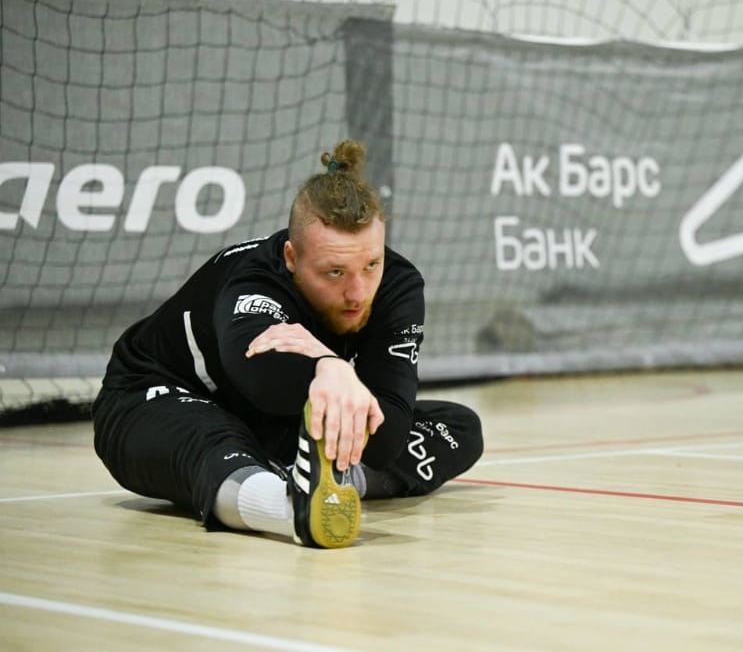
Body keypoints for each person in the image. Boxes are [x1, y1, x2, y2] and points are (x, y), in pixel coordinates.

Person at [92, 139, 483, 548]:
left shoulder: (398, 285)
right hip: (153, 401)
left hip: (272, 423)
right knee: (215, 436)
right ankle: (291, 508)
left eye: (371, 264)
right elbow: (258, 380)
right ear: (292, 257)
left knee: (458, 427)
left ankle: (316, 478)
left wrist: (324, 362)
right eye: (334, 272)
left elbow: (387, 440)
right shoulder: (253, 281)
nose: (358, 292)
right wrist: (329, 365)